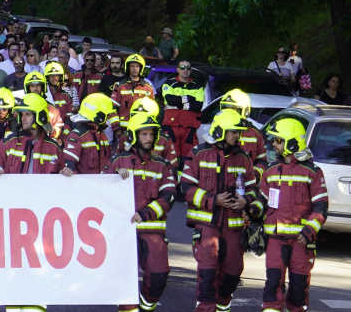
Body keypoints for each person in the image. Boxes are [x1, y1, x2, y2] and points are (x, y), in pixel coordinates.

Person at [180, 110, 258, 312]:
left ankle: (222, 306)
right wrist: (213, 200)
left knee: (233, 274)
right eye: (234, 132)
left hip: (234, 227)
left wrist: (245, 201)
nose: (238, 136)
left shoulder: (243, 157)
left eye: (238, 132)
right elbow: (186, 188)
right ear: (221, 131)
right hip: (207, 226)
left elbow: (253, 188)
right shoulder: (198, 153)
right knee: (207, 275)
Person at [97, 113, 175, 312]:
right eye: (144, 134)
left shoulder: (163, 165)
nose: (149, 138)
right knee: (124, 280)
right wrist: (113, 178)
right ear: (133, 135)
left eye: (151, 134)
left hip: (153, 230)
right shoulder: (117, 161)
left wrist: (146, 213)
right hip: (124, 233)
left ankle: (147, 308)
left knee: (159, 276)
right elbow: (99, 190)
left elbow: (169, 197)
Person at [254, 119, 328, 312]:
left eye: (278, 140)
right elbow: (262, 199)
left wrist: (309, 231)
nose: (273, 144)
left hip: (301, 243)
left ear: (292, 143)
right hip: (275, 241)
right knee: (272, 286)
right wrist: (252, 210)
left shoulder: (312, 172)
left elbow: (321, 207)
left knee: (298, 290)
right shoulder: (270, 171)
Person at [161, 60, 205, 169]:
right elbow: (170, 100)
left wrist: (180, 103)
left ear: (191, 70)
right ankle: (172, 184)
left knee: (188, 161)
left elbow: (198, 106)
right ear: (178, 69)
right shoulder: (169, 84)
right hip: (172, 127)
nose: (185, 70)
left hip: (189, 129)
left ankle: (185, 184)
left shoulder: (197, 86)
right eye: (182, 67)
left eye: (188, 68)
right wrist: (188, 99)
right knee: (171, 160)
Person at [59, 93, 115, 175]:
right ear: (99, 116)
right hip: (83, 187)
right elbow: (69, 167)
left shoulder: (103, 136)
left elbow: (108, 166)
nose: (109, 118)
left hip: (102, 186)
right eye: (107, 115)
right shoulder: (76, 136)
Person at [111, 54, 154, 131]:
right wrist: (116, 128)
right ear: (128, 68)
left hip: (142, 128)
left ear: (141, 68)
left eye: (137, 66)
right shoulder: (120, 86)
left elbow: (153, 109)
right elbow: (112, 109)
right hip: (123, 129)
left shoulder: (148, 87)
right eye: (132, 66)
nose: (135, 69)